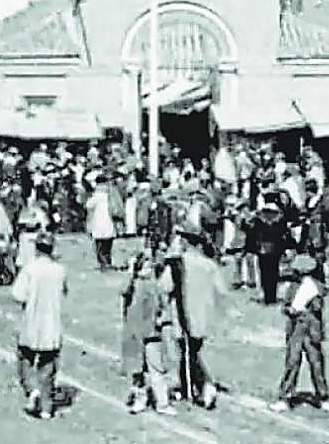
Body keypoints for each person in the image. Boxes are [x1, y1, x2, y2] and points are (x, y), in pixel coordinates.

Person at [174, 215, 229, 409]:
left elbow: (164, 287)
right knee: (191, 351)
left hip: (183, 315)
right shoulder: (209, 265)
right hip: (204, 316)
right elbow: (222, 291)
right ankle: (191, 387)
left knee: (188, 353)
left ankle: (202, 386)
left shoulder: (179, 264)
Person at [10, 229, 67, 419]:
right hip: (52, 322)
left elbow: (18, 294)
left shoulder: (30, 268)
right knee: (48, 363)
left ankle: (32, 390)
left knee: (25, 357)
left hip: (31, 320)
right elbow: (64, 292)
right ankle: (46, 407)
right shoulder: (59, 270)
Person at [270, 254, 329, 414]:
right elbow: (285, 307)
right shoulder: (294, 288)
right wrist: (290, 310)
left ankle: (322, 396)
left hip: (310, 328)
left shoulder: (316, 288)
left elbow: (318, 308)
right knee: (293, 362)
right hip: (296, 328)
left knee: (316, 363)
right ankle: (286, 395)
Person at [120, 252, 174, 416]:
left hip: (150, 334)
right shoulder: (133, 285)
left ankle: (161, 402)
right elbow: (123, 290)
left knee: (155, 368)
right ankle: (142, 400)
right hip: (136, 333)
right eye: (145, 266)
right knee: (138, 370)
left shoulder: (153, 286)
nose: (149, 269)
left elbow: (163, 307)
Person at [86, 178, 118, 272]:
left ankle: (103, 263)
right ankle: (107, 261)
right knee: (108, 245)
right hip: (109, 223)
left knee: (100, 245)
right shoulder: (110, 195)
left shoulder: (96, 196)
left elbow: (88, 205)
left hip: (99, 223)